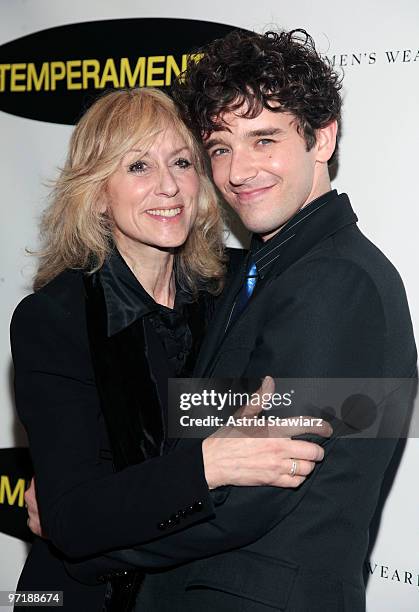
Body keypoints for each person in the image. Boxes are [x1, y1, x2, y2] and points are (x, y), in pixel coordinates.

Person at [35, 28, 414, 611]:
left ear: (323, 138)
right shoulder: (255, 276)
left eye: (264, 140)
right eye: (220, 148)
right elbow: (191, 431)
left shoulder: (336, 281)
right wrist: (84, 504)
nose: (240, 170)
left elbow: (255, 495)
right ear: (96, 191)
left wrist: (80, 537)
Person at [11, 87, 329, 611]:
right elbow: (71, 518)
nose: (168, 186)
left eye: (181, 162)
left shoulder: (235, 290)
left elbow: (334, 403)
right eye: (138, 166)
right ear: (95, 191)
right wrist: (210, 463)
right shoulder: (56, 318)